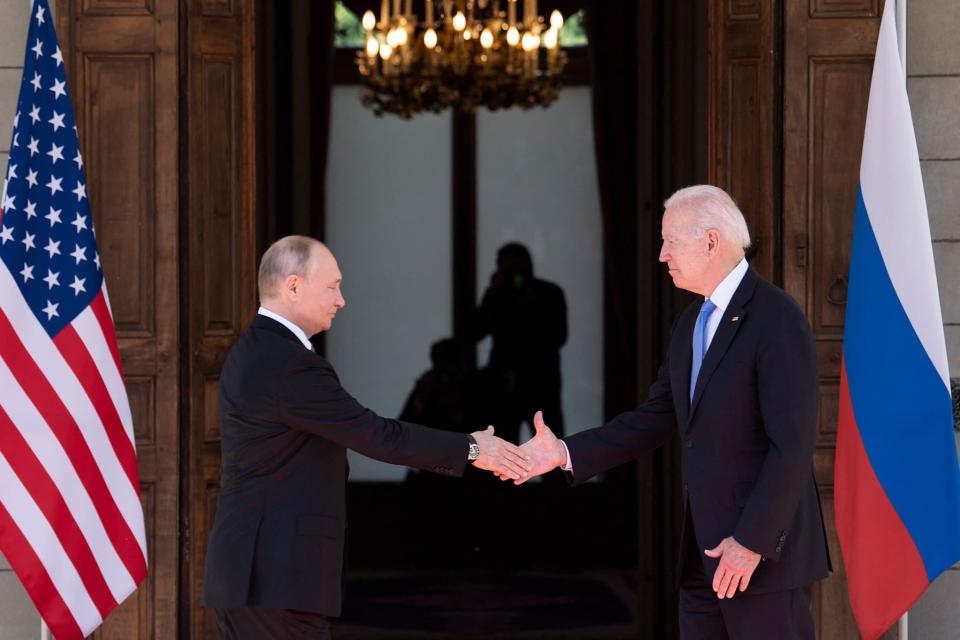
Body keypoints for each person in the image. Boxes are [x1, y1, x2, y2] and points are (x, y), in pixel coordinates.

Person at [517, 185, 831, 639]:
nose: (662, 255)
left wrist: (752, 542)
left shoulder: (776, 317)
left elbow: (793, 445)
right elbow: (653, 418)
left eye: (671, 241)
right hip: (702, 559)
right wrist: (564, 453)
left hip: (760, 562)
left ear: (710, 241)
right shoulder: (690, 323)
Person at [201, 236, 530, 639]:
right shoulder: (289, 365)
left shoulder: (255, 349)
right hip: (273, 578)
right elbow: (377, 435)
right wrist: (474, 448)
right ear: (293, 286)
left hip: (254, 575)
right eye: (332, 286)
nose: (341, 300)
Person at [474, 242, 567, 445]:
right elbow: (474, 332)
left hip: (542, 385)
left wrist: (533, 304)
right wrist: (491, 294)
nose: (513, 276)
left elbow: (559, 336)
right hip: (505, 385)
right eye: (506, 269)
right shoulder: (497, 295)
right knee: (503, 454)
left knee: (553, 454)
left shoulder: (549, 293)